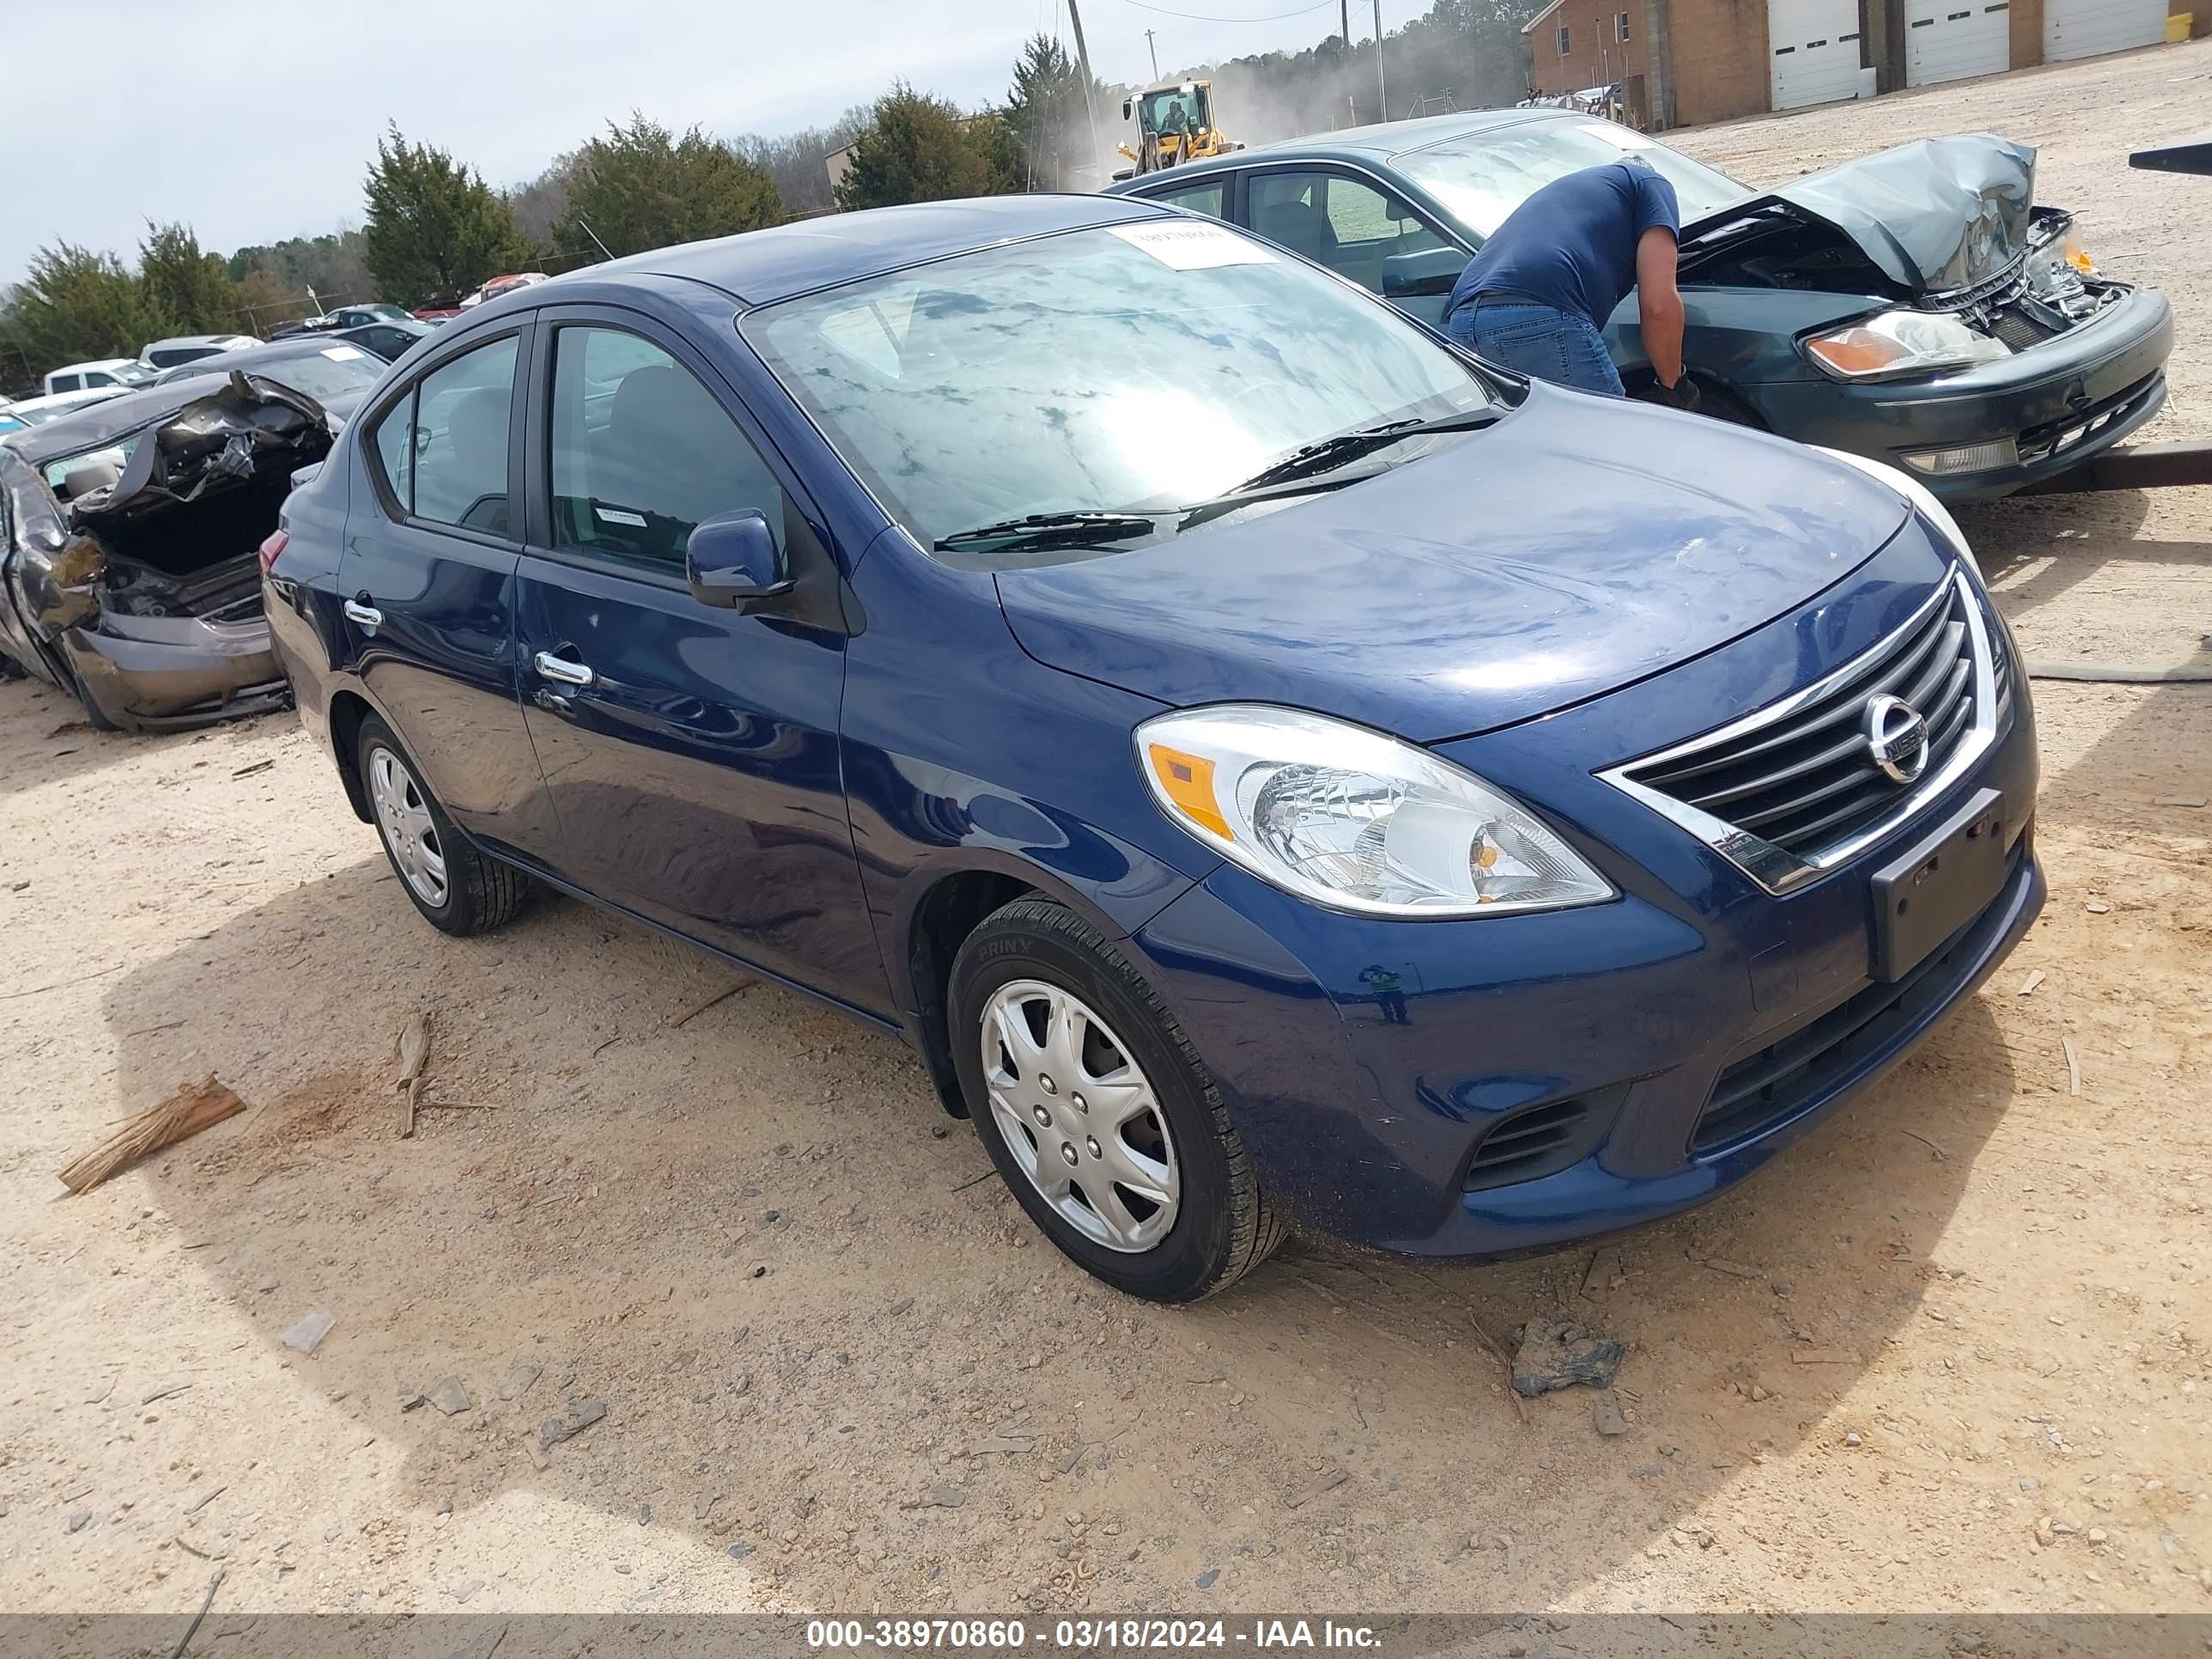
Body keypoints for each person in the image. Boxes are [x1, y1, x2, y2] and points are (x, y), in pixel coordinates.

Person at [1442, 159, 1692, 404]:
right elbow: (1658, 305)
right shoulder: (1649, 182)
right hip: (1537, 310)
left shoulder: (1579, 189)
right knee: (1612, 437)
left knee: (1543, 440)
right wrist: (1674, 386)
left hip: (1463, 322)